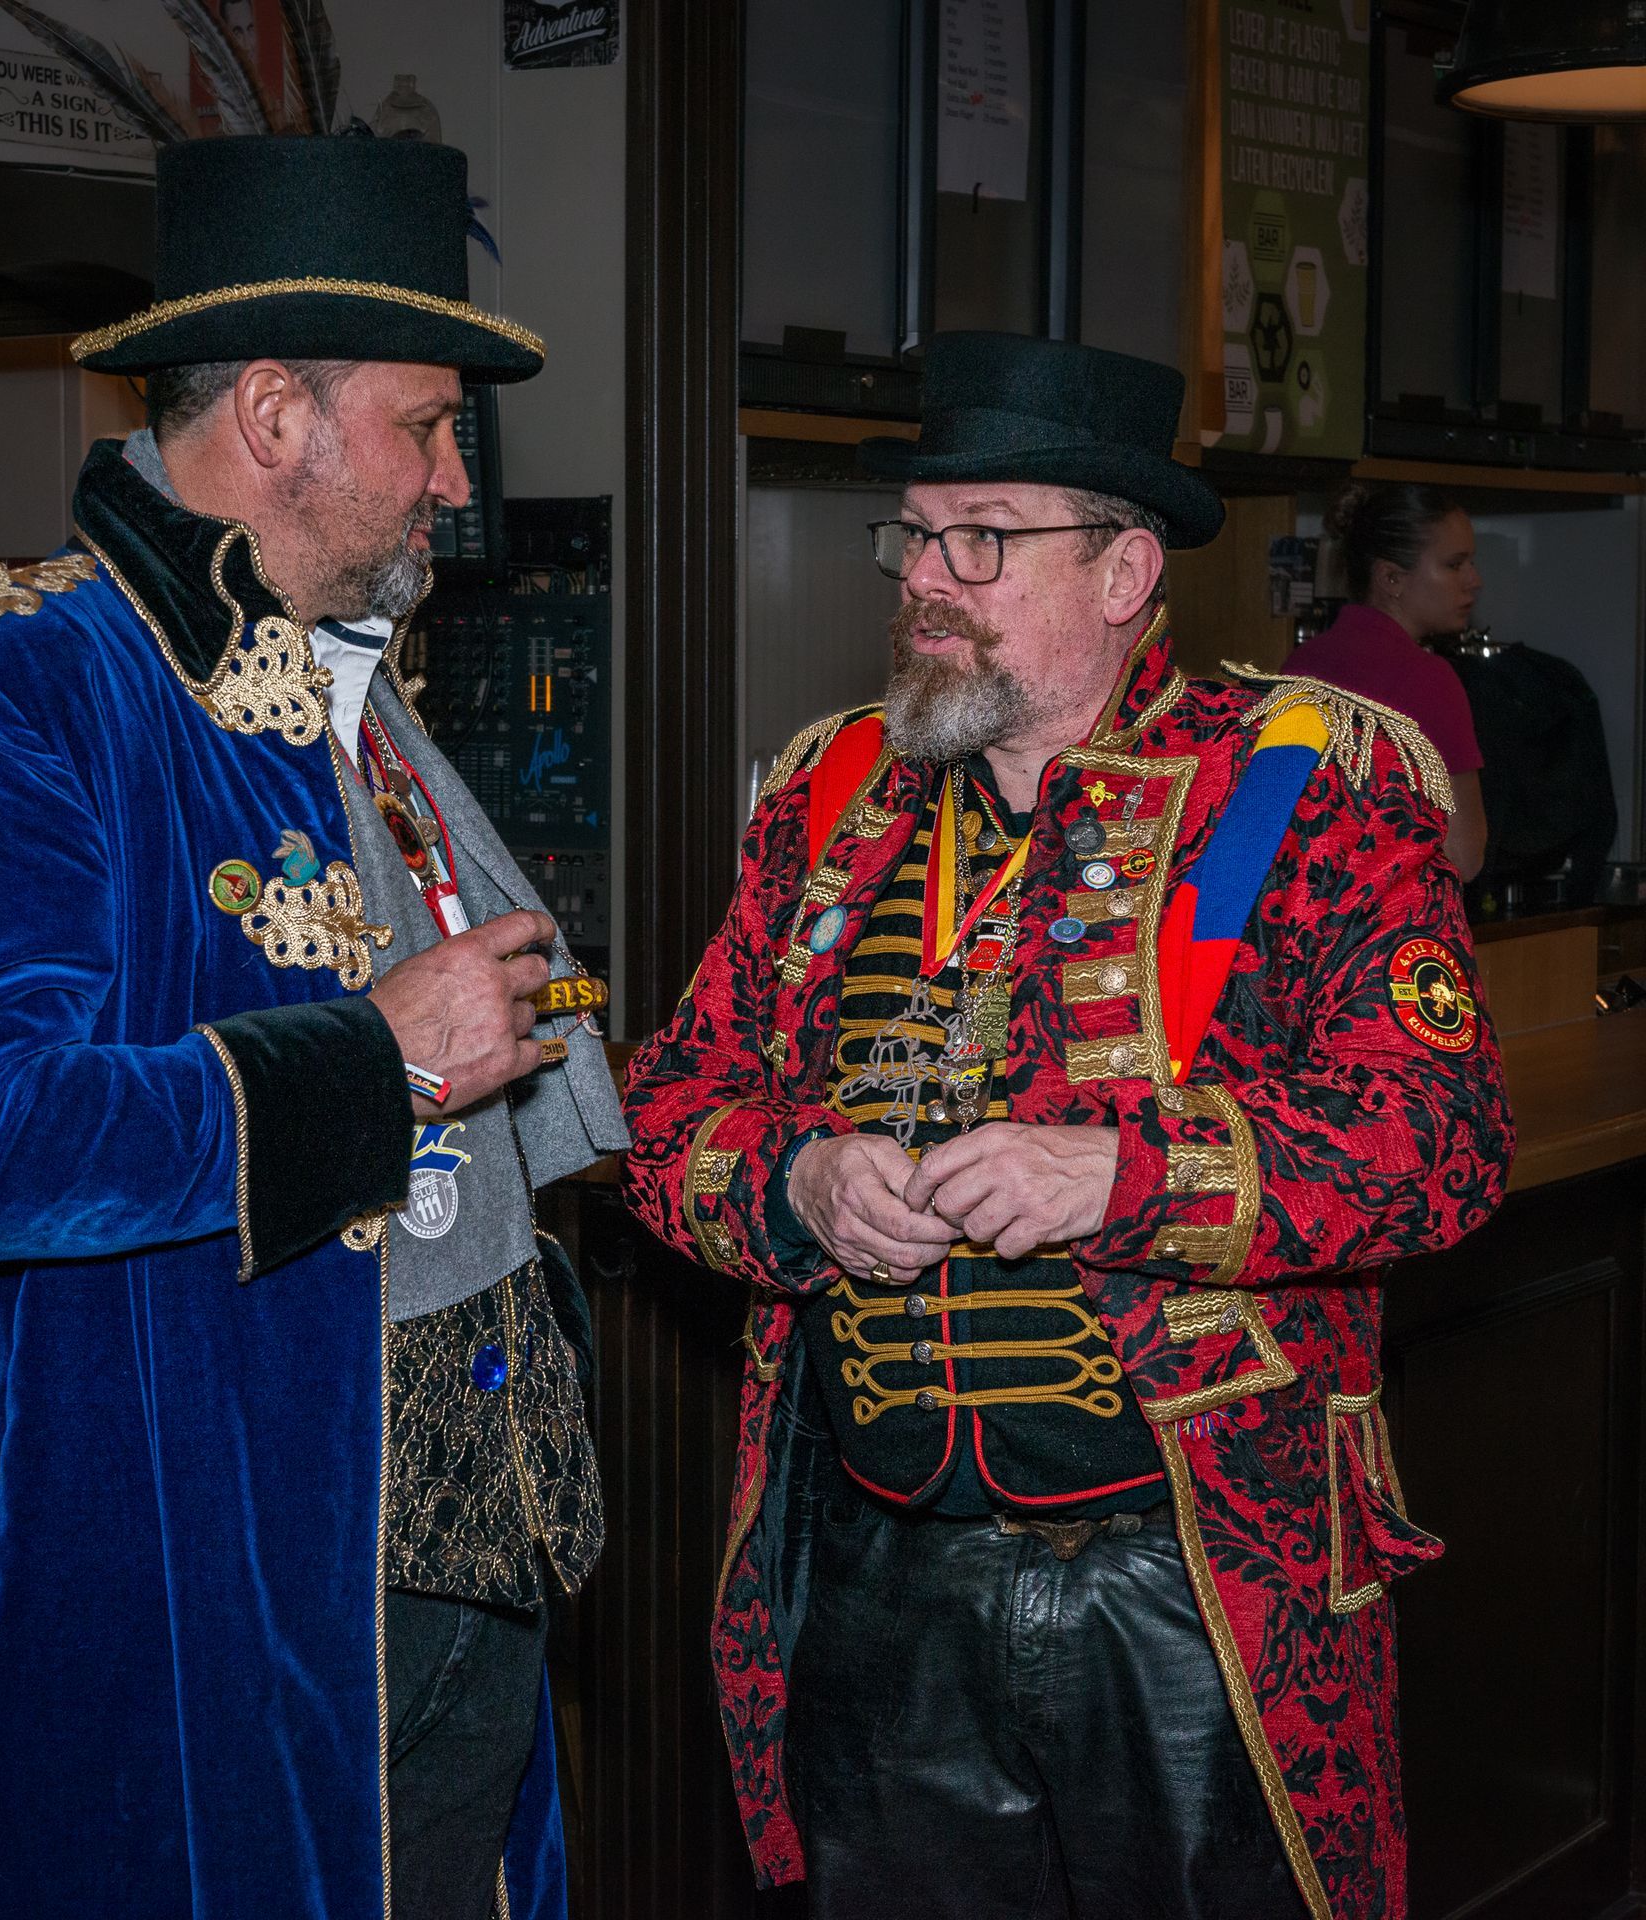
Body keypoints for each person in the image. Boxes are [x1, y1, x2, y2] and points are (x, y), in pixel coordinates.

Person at [621, 332, 1513, 1920]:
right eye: (915, 536)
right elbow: (667, 1107)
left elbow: (1438, 1139)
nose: (927, 579)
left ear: (1124, 571)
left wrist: (1124, 1173)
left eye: (984, 539)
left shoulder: (1296, 782)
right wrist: (796, 1179)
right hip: (875, 1578)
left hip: (1190, 1585)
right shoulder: (831, 795)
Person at [0, 132, 625, 1920]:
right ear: (275, 413)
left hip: (464, 1551)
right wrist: (378, 1062)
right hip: (221, 1585)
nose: (455, 483)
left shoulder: (342, 662)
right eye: (428, 428)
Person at [1291, 482, 1488, 879]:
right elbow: (1463, 856)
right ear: (1391, 578)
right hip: (1394, 912)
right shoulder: (1427, 679)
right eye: (1454, 565)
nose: (1474, 580)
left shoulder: (1301, 663)